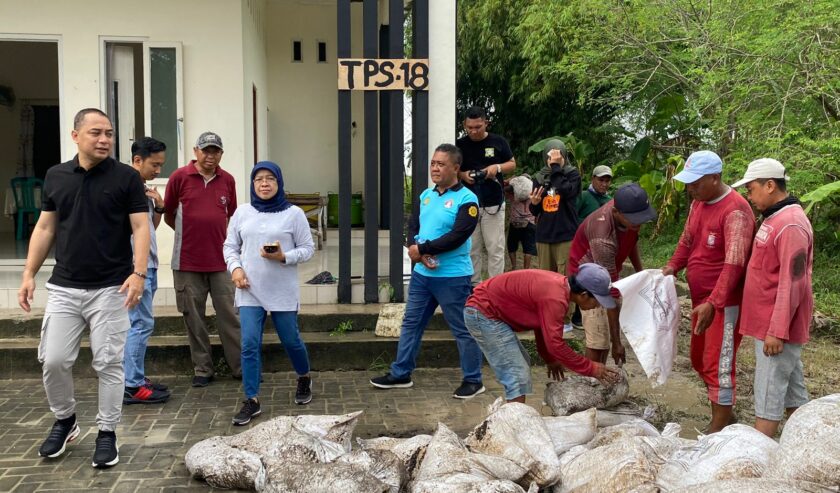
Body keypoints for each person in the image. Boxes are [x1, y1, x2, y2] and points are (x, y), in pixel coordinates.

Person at [18, 108, 149, 468]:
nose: (105, 139)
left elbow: (140, 228)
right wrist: (29, 273)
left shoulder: (126, 178)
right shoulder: (56, 175)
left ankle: (107, 433)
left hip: (112, 287)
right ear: (76, 136)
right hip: (64, 286)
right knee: (54, 360)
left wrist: (139, 274)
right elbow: (45, 228)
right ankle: (65, 420)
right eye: (96, 133)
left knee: (108, 363)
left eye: (109, 133)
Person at [370, 144, 485, 399]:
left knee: (462, 329)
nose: (435, 168)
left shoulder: (467, 199)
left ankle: (473, 379)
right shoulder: (426, 195)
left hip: (453, 277)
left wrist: (423, 249)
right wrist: (415, 246)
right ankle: (401, 373)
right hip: (424, 276)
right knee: (411, 323)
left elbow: (458, 235)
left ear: (456, 168)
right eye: (433, 163)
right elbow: (414, 224)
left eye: (441, 164)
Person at [663, 150, 754, 433]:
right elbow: (688, 239)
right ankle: (725, 414)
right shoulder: (698, 204)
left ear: (715, 178)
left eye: (696, 183)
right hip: (702, 300)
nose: (690, 189)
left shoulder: (735, 211)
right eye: (688, 184)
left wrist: (714, 302)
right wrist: (673, 266)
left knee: (719, 363)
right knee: (698, 358)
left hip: (724, 304)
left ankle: (717, 430)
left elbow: (734, 264)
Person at [223, 161, 316, 426]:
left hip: (281, 289)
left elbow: (308, 248)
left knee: (291, 340)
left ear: (279, 182)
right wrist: (236, 269)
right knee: (250, 343)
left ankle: (304, 376)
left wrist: (284, 256)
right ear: (252, 184)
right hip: (249, 289)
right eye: (258, 179)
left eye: (270, 179)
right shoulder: (242, 213)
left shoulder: (294, 214)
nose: (264, 184)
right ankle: (251, 399)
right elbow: (230, 246)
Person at [731, 158, 813, 437]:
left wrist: (777, 331)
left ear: (769, 185)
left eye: (751, 189)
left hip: (776, 330)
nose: (748, 195)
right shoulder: (775, 218)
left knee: (768, 397)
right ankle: (809, 446)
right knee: (793, 396)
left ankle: (758, 462)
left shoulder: (790, 225)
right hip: (767, 323)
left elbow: (793, 282)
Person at [464, 264, 621, 403]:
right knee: (517, 376)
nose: (597, 306)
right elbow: (555, 344)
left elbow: (541, 327)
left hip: (484, 311)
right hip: (483, 313)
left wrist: (550, 359)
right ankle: (514, 428)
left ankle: (514, 422)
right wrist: (591, 368)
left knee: (521, 364)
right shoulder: (556, 298)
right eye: (597, 301)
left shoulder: (559, 289)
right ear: (584, 294)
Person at [164, 132, 241, 387]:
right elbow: (169, 215)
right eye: (206, 150)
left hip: (221, 263)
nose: (211, 156)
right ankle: (203, 369)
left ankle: (240, 367)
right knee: (193, 318)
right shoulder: (179, 177)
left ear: (221, 153)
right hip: (187, 263)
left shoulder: (227, 180)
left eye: (216, 151)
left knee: (230, 316)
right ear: (196, 151)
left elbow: (230, 215)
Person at [568, 183, 655, 365]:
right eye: (635, 220)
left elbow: (632, 241)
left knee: (605, 338)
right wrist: (618, 343)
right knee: (598, 339)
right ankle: (589, 382)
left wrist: (641, 273)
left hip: (607, 273)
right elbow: (610, 293)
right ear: (615, 212)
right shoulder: (603, 237)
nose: (638, 223)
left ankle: (599, 376)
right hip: (588, 280)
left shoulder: (629, 214)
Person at [123, 137, 171, 405]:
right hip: (136, 268)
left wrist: (160, 206)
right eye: (155, 164)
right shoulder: (125, 187)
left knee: (139, 323)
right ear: (138, 160)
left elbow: (149, 227)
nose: (158, 170)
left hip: (148, 265)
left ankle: (135, 378)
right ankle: (132, 385)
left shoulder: (141, 187)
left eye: (161, 165)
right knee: (140, 324)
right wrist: (136, 270)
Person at [456, 106, 516, 285]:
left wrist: (495, 168)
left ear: (486, 123)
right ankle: (474, 288)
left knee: (495, 249)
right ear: (464, 125)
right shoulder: (460, 145)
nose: (473, 131)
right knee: (471, 249)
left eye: (478, 127)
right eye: (470, 128)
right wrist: (463, 175)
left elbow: (512, 164)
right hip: (468, 203)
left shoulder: (499, 142)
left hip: (493, 203)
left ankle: (494, 287)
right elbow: (453, 168)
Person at [530, 139, 582, 331]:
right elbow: (535, 211)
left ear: (564, 157)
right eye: (550, 157)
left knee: (565, 278)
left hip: (566, 235)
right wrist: (534, 203)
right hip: (544, 235)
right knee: (545, 279)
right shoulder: (539, 177)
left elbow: (565, 191)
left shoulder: (572, 175)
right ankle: (546, 315)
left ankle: (565, 319)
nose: (553, 160)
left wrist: (556, 169)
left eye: (557, 156)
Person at [506, 175, 537, 270]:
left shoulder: (511, 193)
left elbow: (503, 189)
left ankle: (513, 267)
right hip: (529, 222)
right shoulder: (532, 192)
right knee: (528, 248)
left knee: (511, 246)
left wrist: (509, 180)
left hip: (515, 222)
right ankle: (526, 269)